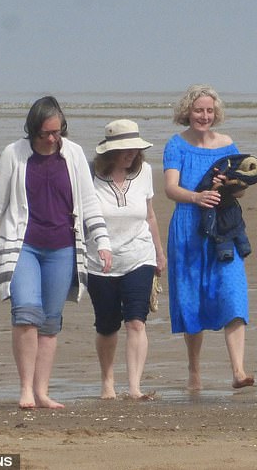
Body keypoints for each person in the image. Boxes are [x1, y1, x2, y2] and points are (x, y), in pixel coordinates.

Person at [0, 96, 112, 409]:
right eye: (45, 133)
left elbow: (89, 202)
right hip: (22, 246)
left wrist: (102, 241)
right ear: (32, 131)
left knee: (50, 321)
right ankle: (26, 389)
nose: (52, 138)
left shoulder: (73, 154)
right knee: (26, 314)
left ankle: (42, 391)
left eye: (57, 132)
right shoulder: (13, 154)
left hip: (62, 248)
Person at [163, 84, 254, 391]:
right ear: (187, 112)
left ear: (216, 114)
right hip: (188, 226)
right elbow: (170, 189)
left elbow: (240, 188)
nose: (204, 116)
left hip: (224, 230)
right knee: (192, 298)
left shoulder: (229, 145)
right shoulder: (176, 145)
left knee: (232, 291)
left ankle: (239, 370)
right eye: (198, 110)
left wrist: (229, 183)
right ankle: (194, 371)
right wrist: (197, 197)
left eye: (209, 111)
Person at [87, 119, 166, 400]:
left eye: (134, 148)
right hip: (100, 262)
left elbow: (150, 214)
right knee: (107, 325)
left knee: (136, 321)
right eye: (125, 149)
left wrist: (159, 252)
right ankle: (107, 383)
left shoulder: (144, 171)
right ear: (108, 151)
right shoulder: (89, 175)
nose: (131, 153)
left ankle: (134, 387)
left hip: (139, 255)